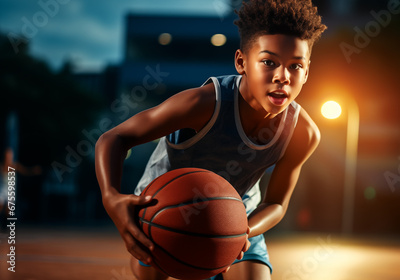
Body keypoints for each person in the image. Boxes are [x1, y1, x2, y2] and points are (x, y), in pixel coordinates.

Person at [95, 0, 326, 279]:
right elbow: (114, 138)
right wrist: (111, 197)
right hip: (166, 208)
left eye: (295, 66)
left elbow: (276, 203)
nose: (282, 76)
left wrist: (239, 230)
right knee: (154, 274)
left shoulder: (303, 132)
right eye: (269, 62)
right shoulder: (202, 104)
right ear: (241, 62)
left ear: (307, 71)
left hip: (237, 213)